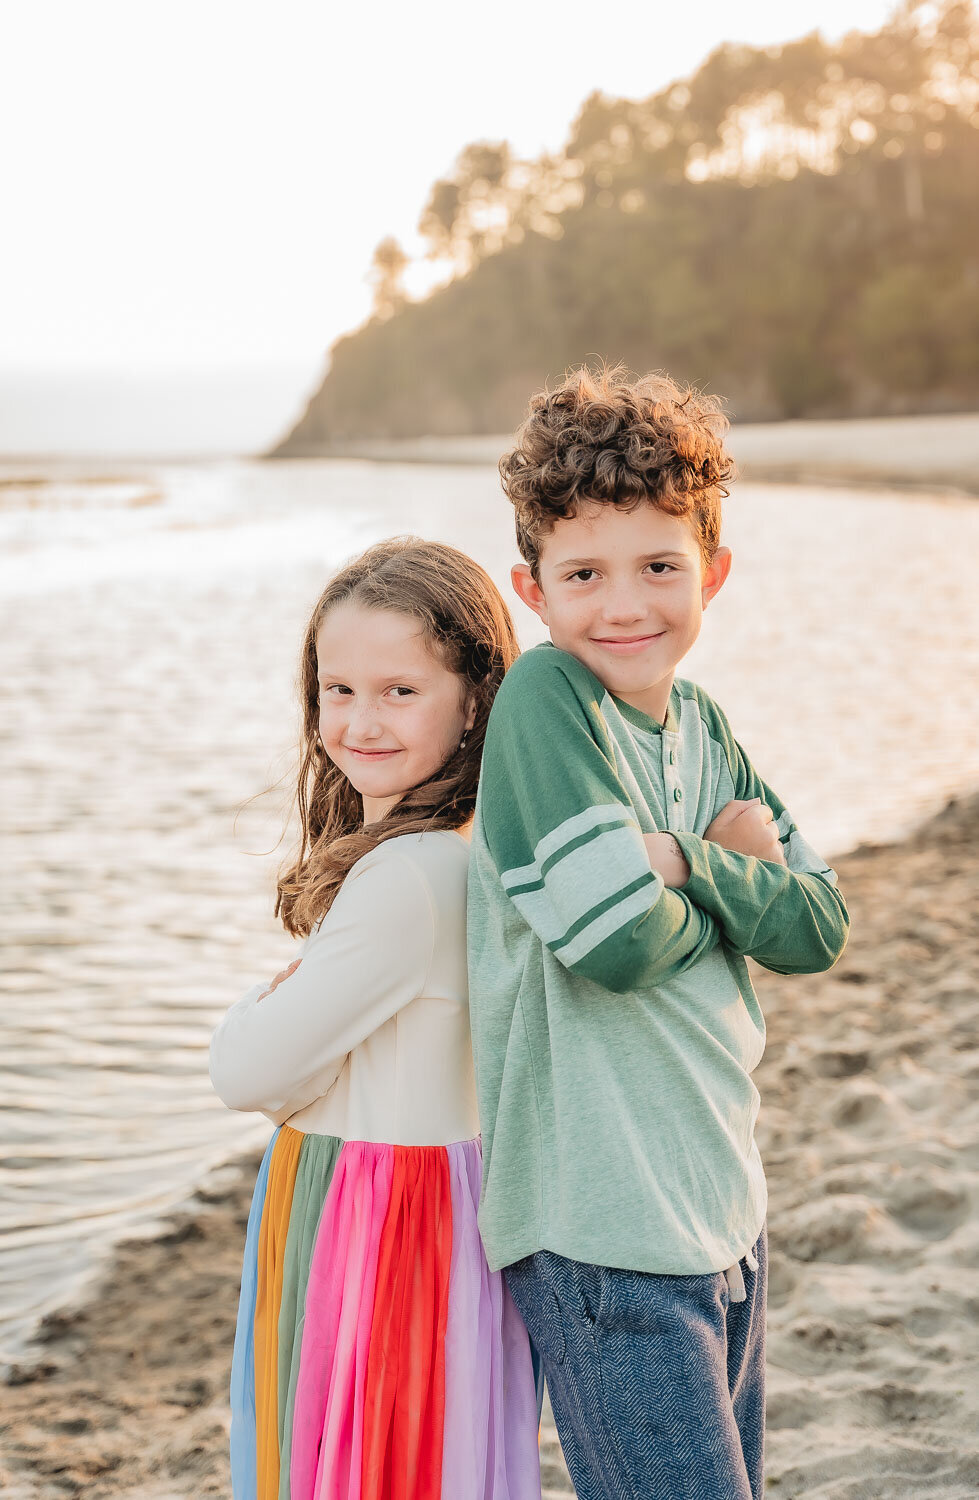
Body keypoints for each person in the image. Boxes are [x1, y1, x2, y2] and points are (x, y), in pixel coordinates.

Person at [467, 367, 850, 1500]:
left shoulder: (703, 725)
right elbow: (615, 944)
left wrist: (685, 858)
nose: (623, 604)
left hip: (723, 1213)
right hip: (602, 1226)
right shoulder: (546, 704)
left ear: (711, 574)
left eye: (657, 567)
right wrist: (738, 874)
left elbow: (818, 923)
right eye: (583, 573)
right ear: (532, 590)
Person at [210, 538, 542, 1500]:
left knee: (362, 1465)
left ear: (475, 698)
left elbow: (248, 1073)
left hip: (375, 1215)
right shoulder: (471, 844)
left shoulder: (406, 874)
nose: (360, 722)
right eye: (338, 689)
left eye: (401, 690)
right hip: (439, 1198)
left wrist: (267, 1001)